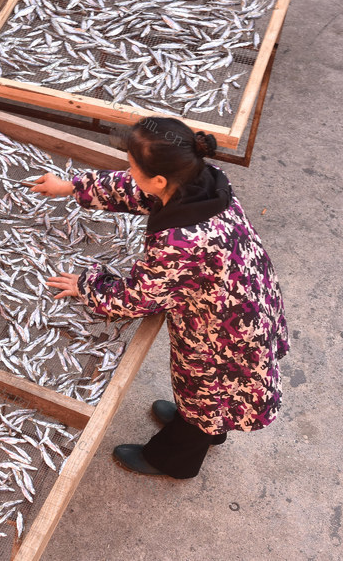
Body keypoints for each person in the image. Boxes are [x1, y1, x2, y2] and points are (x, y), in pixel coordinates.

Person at [29, 117, 287, 479]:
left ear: (160, 179)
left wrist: (88, 285)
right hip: (248, 298)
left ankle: (172, 459)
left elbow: (136, 300)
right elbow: (136, 189)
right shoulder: (201, 180)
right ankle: (204, 421)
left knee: (207, 391)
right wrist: (73, 186)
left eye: (133, 166)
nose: (129, 172)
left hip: (222, 333)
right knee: (215, 393)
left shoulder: (181, 243)